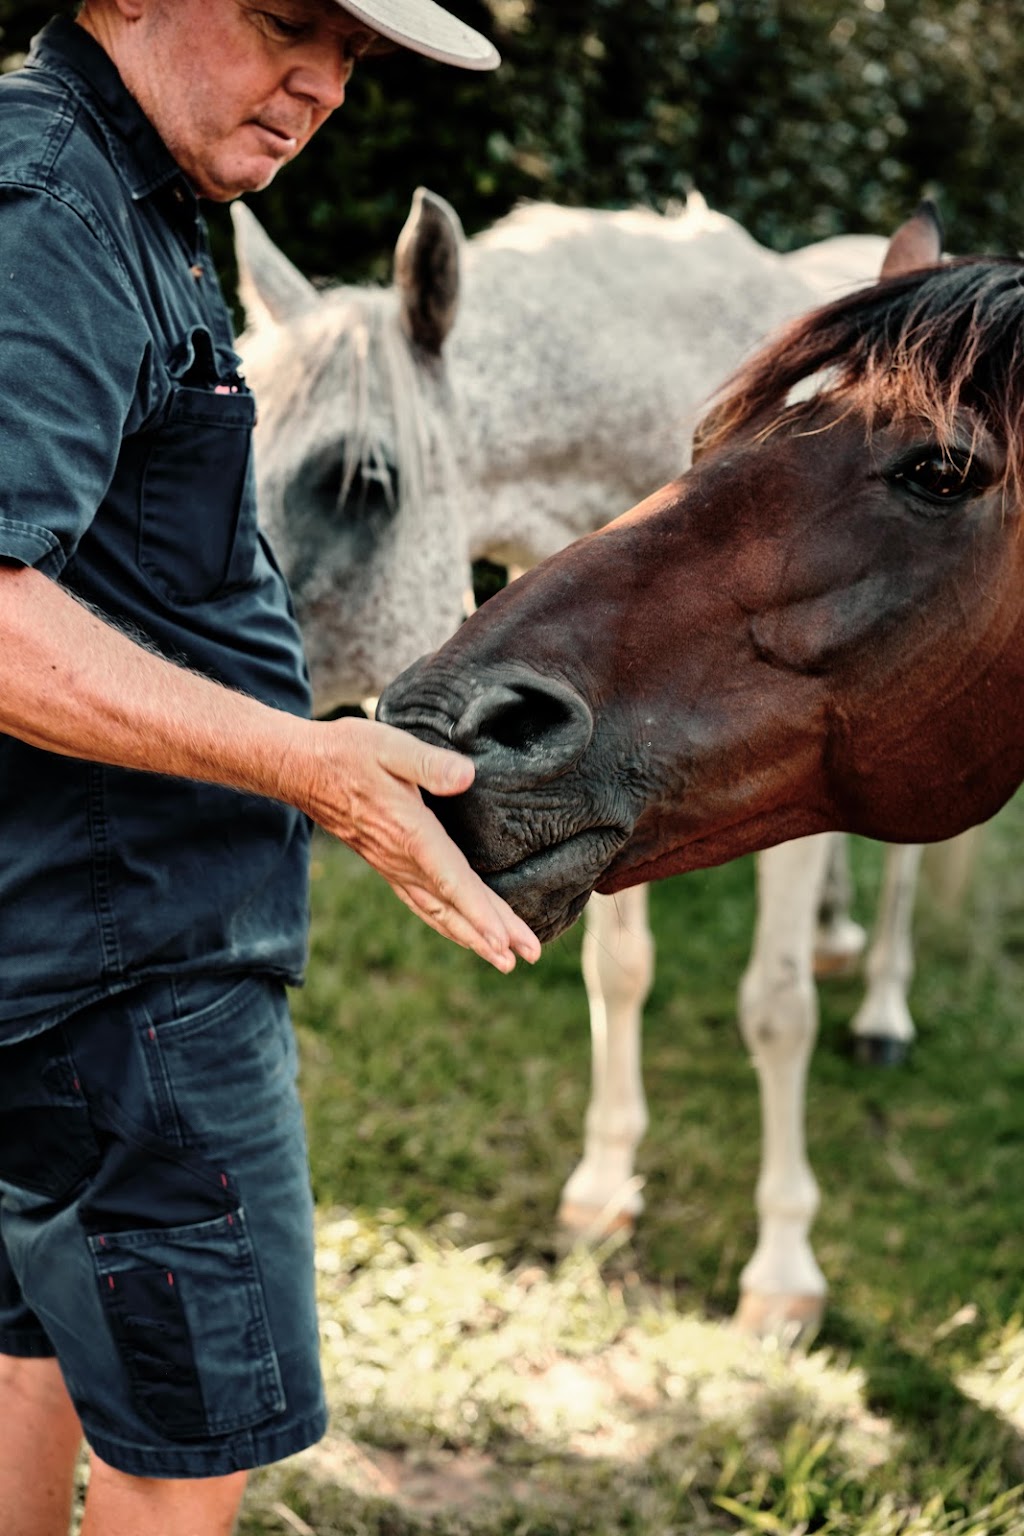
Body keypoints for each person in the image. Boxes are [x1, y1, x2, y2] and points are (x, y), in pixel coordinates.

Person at [0, 2, 539, 1532]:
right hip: (131, 982)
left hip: (65, 948)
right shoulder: (58, 211)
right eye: (286, 21)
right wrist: (310, 763)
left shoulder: (120, 189)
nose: (320, 86)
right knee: (184, 1461)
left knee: (37, 1349)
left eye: (354, 60)